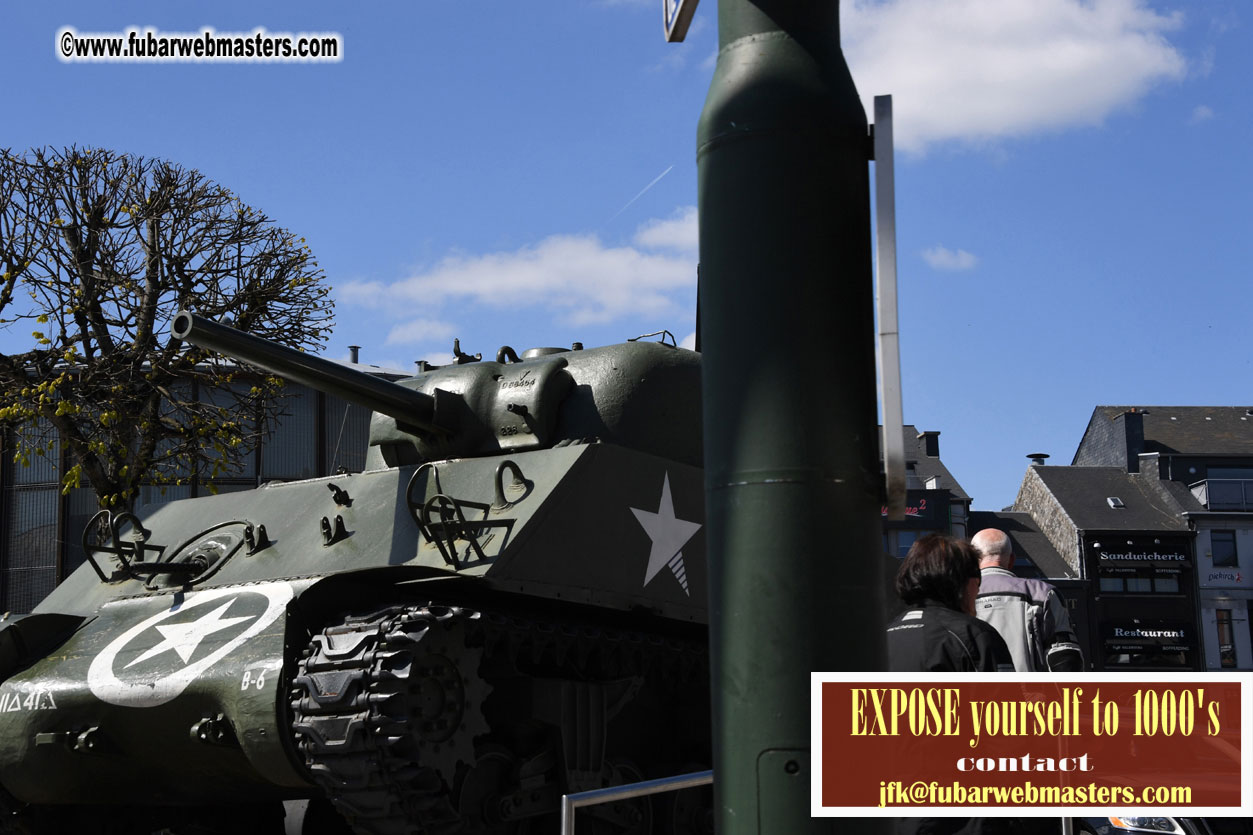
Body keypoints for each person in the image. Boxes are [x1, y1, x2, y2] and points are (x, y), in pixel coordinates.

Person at [886, 534, 1013, 672]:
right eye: (978, 580)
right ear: (966, 581)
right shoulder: (975, 637)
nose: (978, 589)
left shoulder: (881, 639)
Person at [970, 528, 1084, 672]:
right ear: (1012, 560)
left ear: (972, 560)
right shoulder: (1043, 594)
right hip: (1030, 693)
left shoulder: (956, 597)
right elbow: (1065, 657)